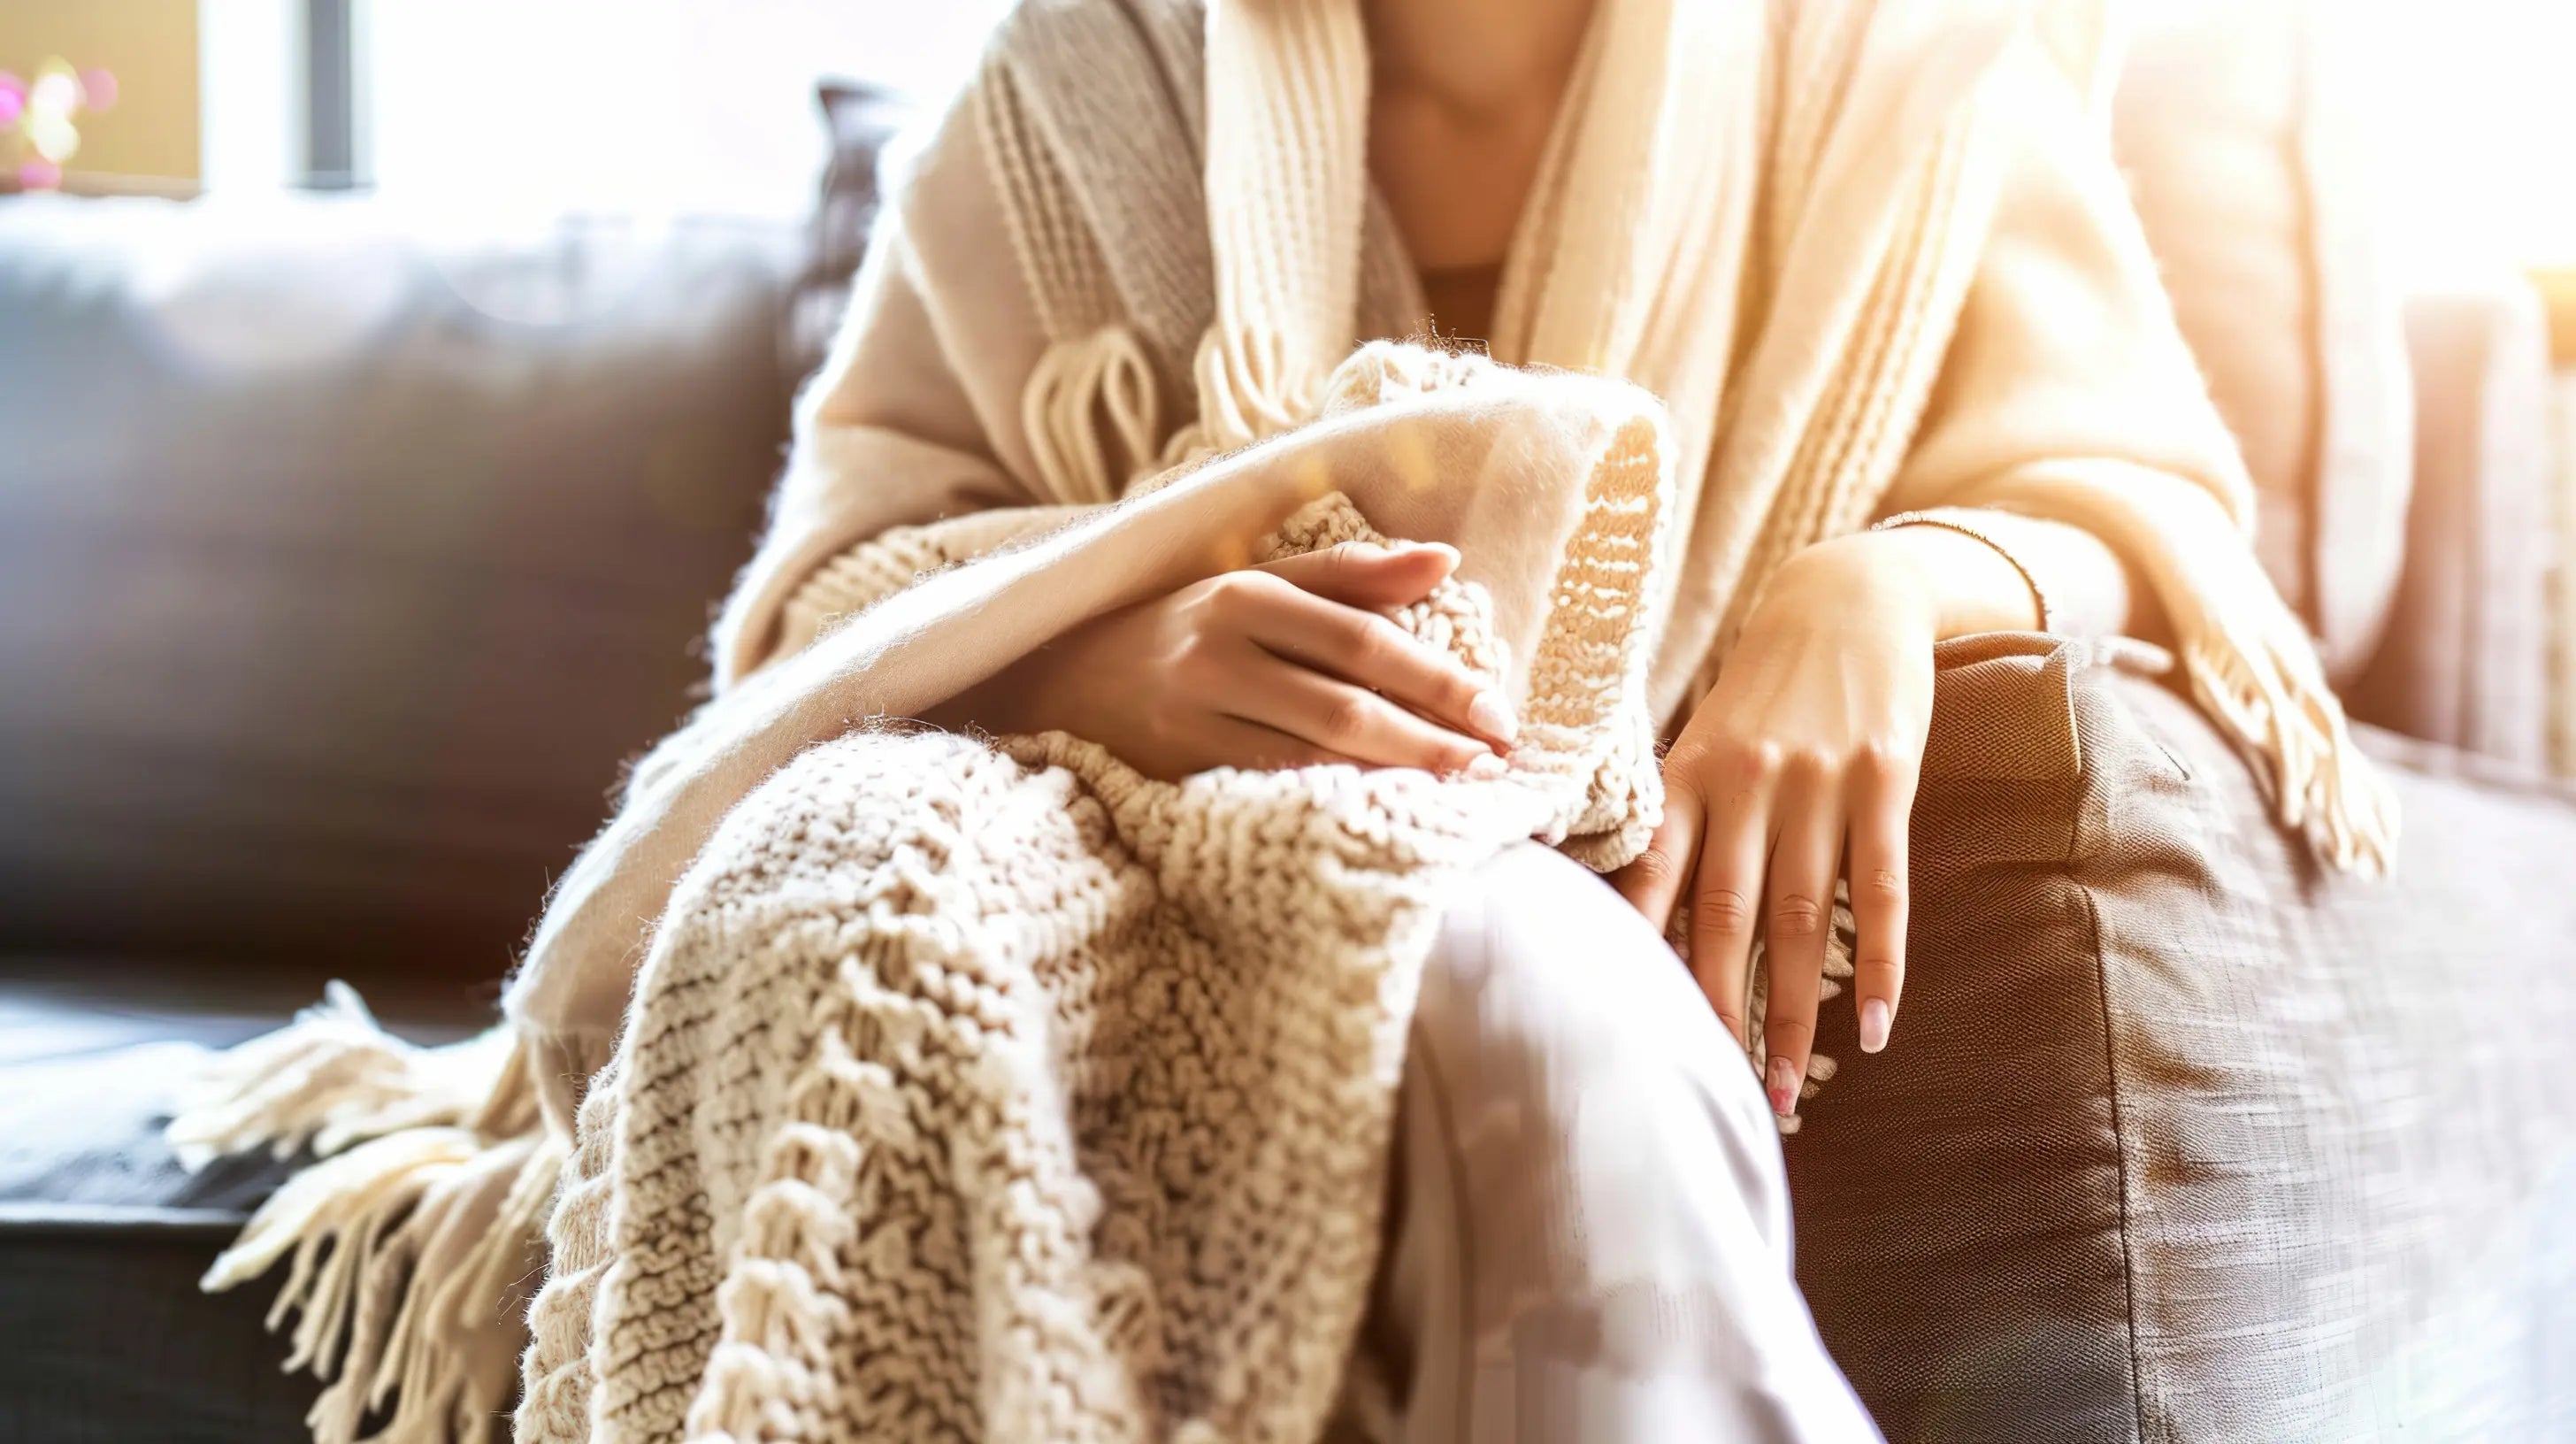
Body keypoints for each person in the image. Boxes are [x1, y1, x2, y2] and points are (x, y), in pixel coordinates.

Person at [642, 0, 2387, 1436]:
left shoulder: (1890, 58)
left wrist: (1878, 588)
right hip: (1120, 864)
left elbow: (2142, 512)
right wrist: (1104, 648)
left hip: (1563, 913)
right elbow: (827, 607)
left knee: (1518, 987)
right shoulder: (1073, 80)